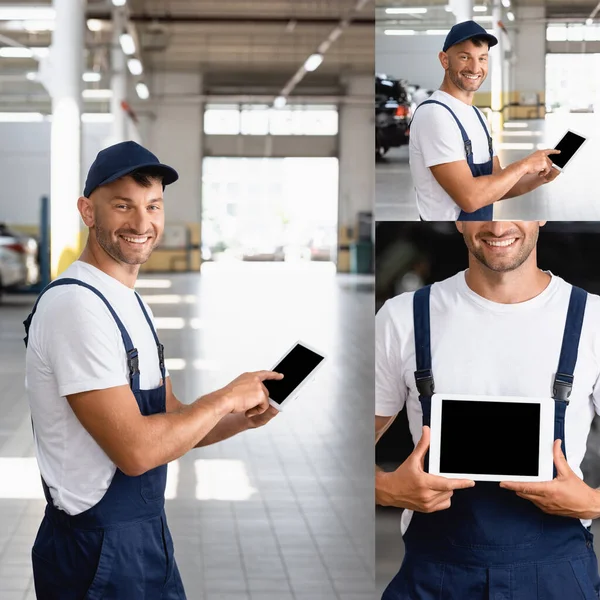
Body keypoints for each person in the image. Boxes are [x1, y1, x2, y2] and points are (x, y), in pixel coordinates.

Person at [24, 141, 284, 600]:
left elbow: (170, 418)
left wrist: (240, 419)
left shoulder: (132, 302)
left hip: (145, 538)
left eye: (153, 206)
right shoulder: (75, 306)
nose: (142, 224)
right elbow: (137, 451)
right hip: (94, 553)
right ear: (88, 211)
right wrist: (223, 397)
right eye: (122, 206)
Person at [375, 221, 600, 599]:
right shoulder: (403, 318)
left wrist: (593, 502)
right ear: (459, 217)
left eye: (515, 208)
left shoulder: (593, 320)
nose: (497, 225)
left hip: (556, 580)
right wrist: (384, 488)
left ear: (540, 214)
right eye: (482, 209)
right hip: (435, 579)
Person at [409, 21, 561, 221]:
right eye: (464, 57)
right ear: (444, 60)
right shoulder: (435, 114)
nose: (475, 67)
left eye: (482, 58)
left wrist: (539, 178)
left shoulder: (478, 117)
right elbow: (470, 198)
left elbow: (497, 186)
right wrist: (524, 165)